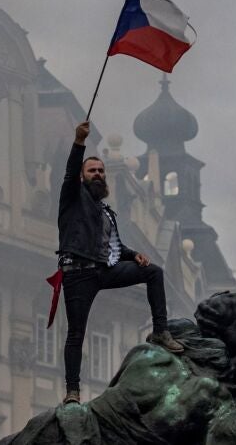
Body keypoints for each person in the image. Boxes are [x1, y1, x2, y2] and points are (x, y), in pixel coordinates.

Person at [57, 120, 183, 405]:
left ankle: (160, 331)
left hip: (103, 269)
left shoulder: (104, 211)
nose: (98, 174)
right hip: (78, 274)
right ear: (82, 177)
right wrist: (79, 142)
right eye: (92, 171)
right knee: (76, 333)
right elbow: (69, 172)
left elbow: (111, 246)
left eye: (101, 171)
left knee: (153, 272)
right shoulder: (72, 197)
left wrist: (133, 254)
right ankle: (73, 391)